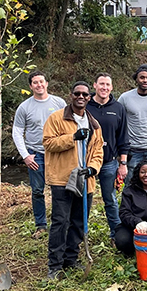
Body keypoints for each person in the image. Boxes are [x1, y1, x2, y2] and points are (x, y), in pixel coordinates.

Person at [43, 81, 104, 280]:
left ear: (89, 97)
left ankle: (71, 258)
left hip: (84, 179)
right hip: (63, 179)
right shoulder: (56, 118)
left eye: (85, 94)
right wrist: (73, 137)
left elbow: (98, 151)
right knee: (61, 221)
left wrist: (92, 169)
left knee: (79, 221)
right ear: (71, 95)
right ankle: (55, 265)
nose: (80, 97)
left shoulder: (94, 124)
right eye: (77, 93)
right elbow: (48, 143)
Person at [12, 71, 66, 236]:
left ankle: (60, 222)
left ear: (47, 83)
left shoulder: (59, 103)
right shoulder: (25, 107)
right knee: (37, 191)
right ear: (30, 86)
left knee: (59, 189)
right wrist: (25, 156)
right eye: (35, 82)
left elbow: (69, 126)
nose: (39, 85)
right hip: (35, 154)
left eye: (41, 81)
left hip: (57, 154)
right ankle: (41, 225)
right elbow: (17, 132)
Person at [86, 73, 129, 242]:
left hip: (109, 162)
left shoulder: (118, 108)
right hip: (87, 162)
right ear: (95, 85)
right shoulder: (85, 106)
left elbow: (123, 138)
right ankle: (81, 233)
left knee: (110, 199)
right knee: (84, 199)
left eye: (107, 85)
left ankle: (115, 234)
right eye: (101, 84)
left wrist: (123, 163)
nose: (104, 87)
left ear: (111, 87)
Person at [114, 159, 147, 256]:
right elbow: (124, 212)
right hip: (132, 227)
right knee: (123, 240)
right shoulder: (129, 191)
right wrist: (137, 222)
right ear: (137, 174)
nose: (146, 175)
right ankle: (134, 251)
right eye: (142, 172)